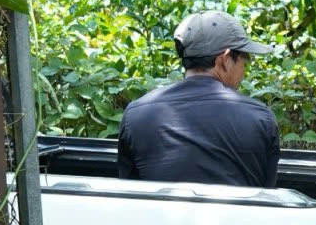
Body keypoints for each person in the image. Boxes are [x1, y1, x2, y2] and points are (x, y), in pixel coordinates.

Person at [117, 10, 281, 186]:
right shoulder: (259, 118)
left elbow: (130, 192)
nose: (244, 70)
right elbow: (267, 194)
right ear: (225, 59)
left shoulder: (136, 114)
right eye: (244, 60)